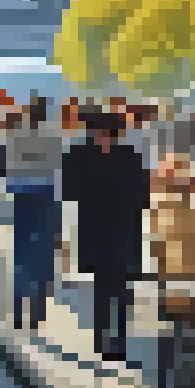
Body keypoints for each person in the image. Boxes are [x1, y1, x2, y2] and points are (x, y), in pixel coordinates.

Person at [62, 112, 151, 360]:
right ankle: (105, 342)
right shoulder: (89, 156)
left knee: (118, 290)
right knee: (106, 289)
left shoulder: (120, 157)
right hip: (106, 231)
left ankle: (116, 342)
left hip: (116, 231)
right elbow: (69, 190)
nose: (101, 138)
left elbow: (143, 197)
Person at [7, 100, 67, 329]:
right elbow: (58, 175)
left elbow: (10, 174)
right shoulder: (53, 138)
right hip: (45, 198)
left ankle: (17, 312)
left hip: (23, 198)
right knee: (42, 257)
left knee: (21, 256)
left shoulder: (16, 138)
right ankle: (36, 314)